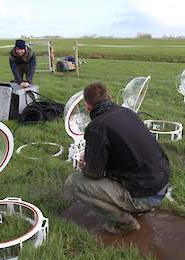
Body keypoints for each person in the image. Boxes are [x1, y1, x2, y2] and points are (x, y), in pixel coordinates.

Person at [64, 82, 169, 235]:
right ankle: (137, 206)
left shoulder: (97, 127)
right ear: (109, 97)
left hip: (145, 195)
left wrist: (84, 166)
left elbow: (94, 174)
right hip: (162, 184)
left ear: (87, 107)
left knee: (74, 183)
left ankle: (124, 223)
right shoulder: (127, 113)